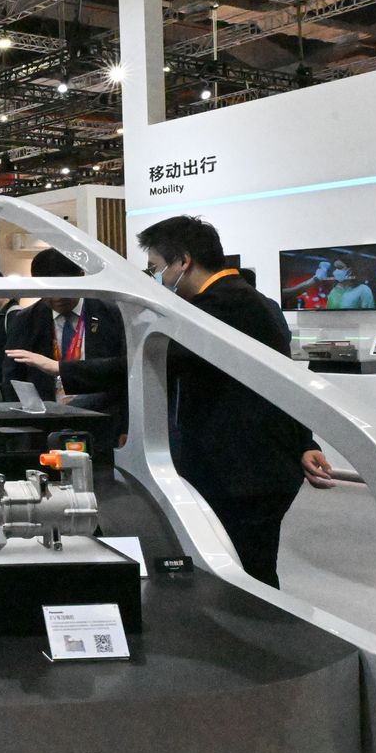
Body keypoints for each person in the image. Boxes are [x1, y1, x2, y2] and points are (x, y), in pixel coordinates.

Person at [137, 215, 337, 587]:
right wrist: (304, 442)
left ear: (183, 261)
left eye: (157, 268)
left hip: (244, 473)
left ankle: (264, 642)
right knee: (240, 571)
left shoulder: (226, 306)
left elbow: (165, 358)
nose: (158, 279)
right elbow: (276, 382)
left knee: (248, 580)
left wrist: (62, 368)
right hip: (246, 467)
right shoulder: (240, 301)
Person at [3, 249, 127, 447]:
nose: (58, 297)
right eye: (49, 289)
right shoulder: (25, 320)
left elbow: (125, 373)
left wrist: (125, 427)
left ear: (80, 278)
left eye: (65, 287)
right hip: (45, 428)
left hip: (101, 423)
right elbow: (12, 377)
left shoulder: (111, 313)